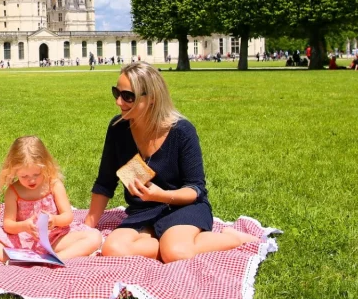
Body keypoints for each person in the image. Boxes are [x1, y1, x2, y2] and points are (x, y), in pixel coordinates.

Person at [84, 62, 257, 263]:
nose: (119, 102)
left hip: (183, 208)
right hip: (144, 210)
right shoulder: (118, 129)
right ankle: (168, 241)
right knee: (113, 249)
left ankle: (230, 238)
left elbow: (195, 188)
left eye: (128, 96)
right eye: (116, 93)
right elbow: (105, 182)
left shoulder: (181, 131)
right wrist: (88, 225)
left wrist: (162, 195)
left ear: (152, 98)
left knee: (176, 253)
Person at [0, 136, 102, 262]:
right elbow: (8, 225)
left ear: (45, 167)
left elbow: (68, 216)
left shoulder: (54, 185)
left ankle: (56, 258)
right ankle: (11, 258)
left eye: (37, 174)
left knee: (94, 236)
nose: (31, 180)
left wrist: (55, 220)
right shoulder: (13, 191)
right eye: (24, 176)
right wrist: (24, 226)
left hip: (54, 238)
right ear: (14, 172)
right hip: (23, 241)